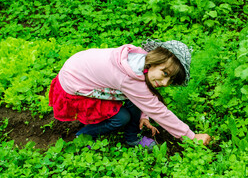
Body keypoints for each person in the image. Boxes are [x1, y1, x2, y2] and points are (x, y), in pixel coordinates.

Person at [49, 39, 211, 149]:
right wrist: (191, 136)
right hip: (75, 84)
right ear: (157, 59)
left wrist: (143, 116)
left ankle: (132, 136)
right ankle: (83, 135)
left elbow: (143, 96)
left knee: (133, 106)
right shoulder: (129, 77)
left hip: (79, 68)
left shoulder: (140, 60)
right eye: (165, 74)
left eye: (170, 81)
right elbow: (159, 111)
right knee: (122, 118)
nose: (164, 83)